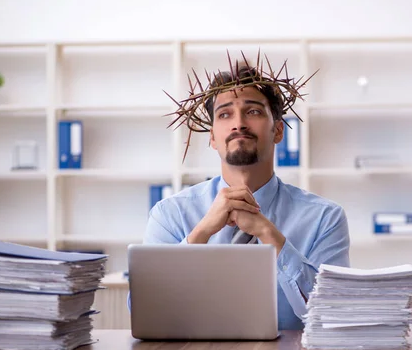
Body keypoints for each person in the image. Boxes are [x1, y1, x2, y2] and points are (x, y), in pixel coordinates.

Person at [142, 61, 350, 330]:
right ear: (213, 137)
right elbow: (144, 309)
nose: (238, 124)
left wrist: (269, 235)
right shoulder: (169, 214)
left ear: (278, 131)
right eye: (225, 114)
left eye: (252, 111)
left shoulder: (325, 218)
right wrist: (201, 233)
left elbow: (335, 314)